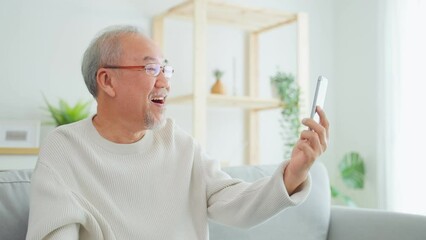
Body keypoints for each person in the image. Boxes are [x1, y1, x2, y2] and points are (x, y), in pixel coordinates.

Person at [26, 25, 329, 240]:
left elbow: (234, 202)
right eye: (150, 69)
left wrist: (294, 172)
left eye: (165, 70)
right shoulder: (65, 149)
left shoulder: (176, 141)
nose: (165, 83)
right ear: (107, 81)